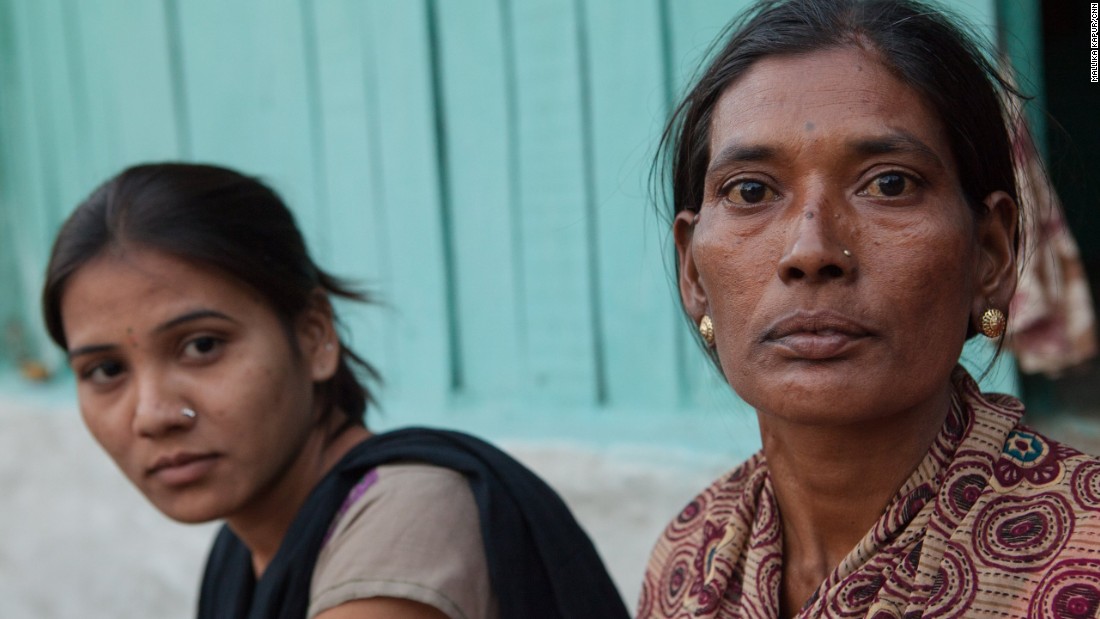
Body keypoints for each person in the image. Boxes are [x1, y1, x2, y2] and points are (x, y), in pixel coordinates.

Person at [636, 0, 1100, 617]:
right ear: (693, 271)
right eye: (751, 191)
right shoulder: (689, 557)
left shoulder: (1083, 565)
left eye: (889, 183)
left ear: (990, 254)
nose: (811, 251)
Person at [41, 163, 630, 619]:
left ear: (315, 337)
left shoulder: (406, 515)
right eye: (105, 371)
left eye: (202, 346)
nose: (154, 414)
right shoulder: (242, 551)